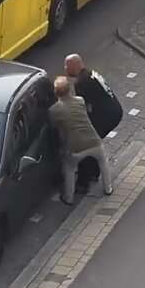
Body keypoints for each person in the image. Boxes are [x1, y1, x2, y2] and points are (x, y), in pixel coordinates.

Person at [49, 76, 113, 206]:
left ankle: (68, 197)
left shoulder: (54, 110)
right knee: (103, 162)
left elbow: (54, 126)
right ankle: (108, 188)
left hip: (75, 147)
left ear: (56, 93)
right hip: (94, 141)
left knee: (69, 168)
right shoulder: (80, 100)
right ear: (70, 89)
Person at [65, 54, 123, 192]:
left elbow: (85, 108)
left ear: (75, 66)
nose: (65, 68)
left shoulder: (82, 83)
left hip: (106, 116)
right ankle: (93, 172)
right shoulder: (90, 73)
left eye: (67, 65)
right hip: (114, 111)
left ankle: (83, 182)